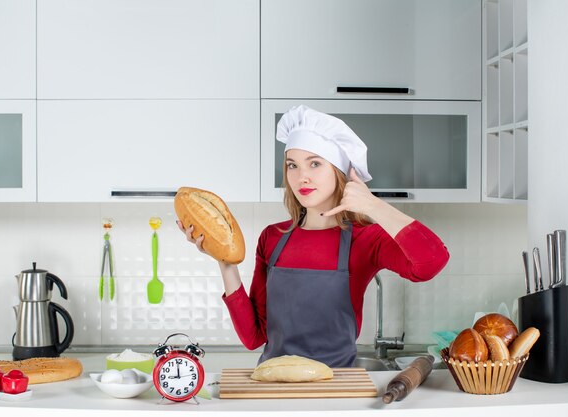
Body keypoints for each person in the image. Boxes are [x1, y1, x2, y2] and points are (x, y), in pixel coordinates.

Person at [176, 105, 449, 367]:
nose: (301, 177)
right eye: (292, 165)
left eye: (315, 163)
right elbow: (253, 337)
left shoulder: (365, 240)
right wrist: (224, 261)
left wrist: (374, 205)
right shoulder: (272, 237)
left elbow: (431, 263)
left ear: (338, 171)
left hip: (337, 388)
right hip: (275, 386)